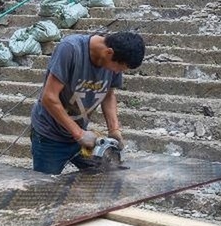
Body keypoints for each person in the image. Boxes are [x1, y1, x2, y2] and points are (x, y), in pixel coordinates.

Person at [29, 30, 145, 174]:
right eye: (119, 68)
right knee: (45, 186)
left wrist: (114, 130)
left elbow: (108, 95)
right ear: (109, 52)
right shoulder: (70, 49)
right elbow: (49, 97)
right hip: (50, 135)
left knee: (102, 176)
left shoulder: (115, 59)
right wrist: (79, 134)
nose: (117, 73)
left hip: (81, 135)